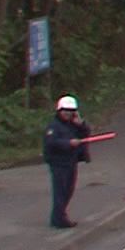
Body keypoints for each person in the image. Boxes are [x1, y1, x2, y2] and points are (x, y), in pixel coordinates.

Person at [42, 96, 93, 229]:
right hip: (58, 162)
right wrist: (68, 143)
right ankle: (58, 219)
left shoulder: (73, 125)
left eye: (71, 111)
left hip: (71, 161)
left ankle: (60, 215)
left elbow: (86, 132)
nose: (68, 113)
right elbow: (51, 142)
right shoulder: (54, 126)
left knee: (68, 190)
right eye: (65, 111)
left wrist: (80, 124)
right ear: (59, 111)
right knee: (60, 191)